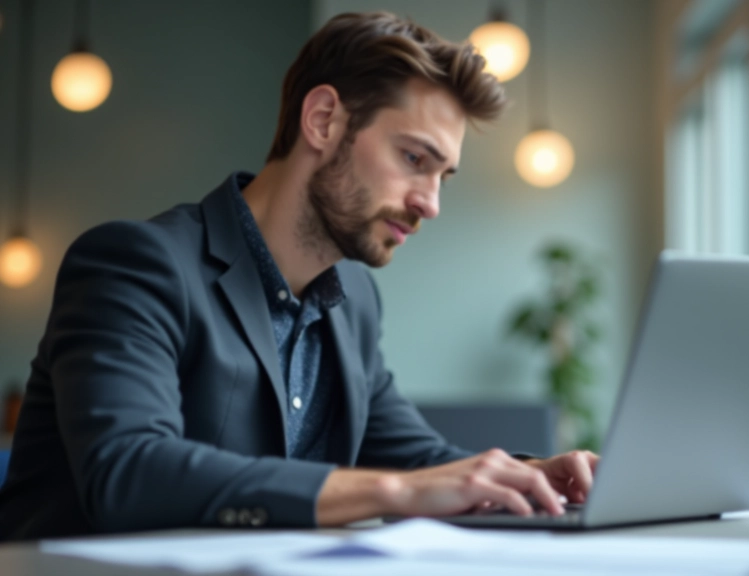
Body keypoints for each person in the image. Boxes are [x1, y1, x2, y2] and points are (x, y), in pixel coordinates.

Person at [0, 11, 598, 540]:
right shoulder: (134, 263)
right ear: (322, 120)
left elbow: (418, 461)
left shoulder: (355, 300)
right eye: (414, 159)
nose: (430, 203)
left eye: (444, 176)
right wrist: (390, 494)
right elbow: (128, 472)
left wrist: (531, 476)